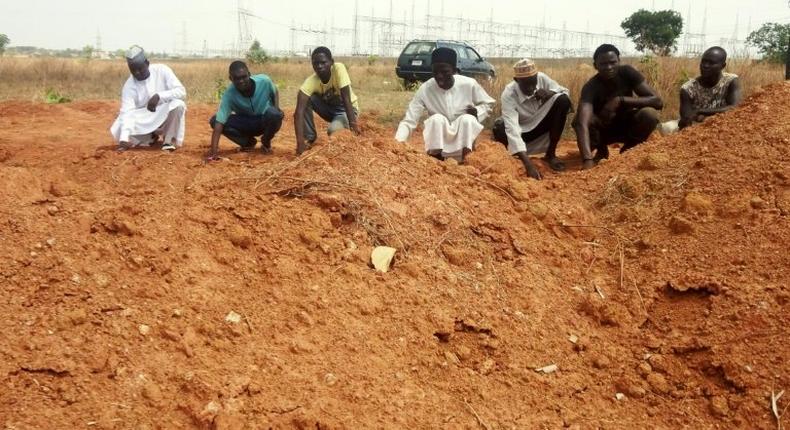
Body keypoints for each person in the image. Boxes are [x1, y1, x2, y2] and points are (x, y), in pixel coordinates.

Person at [394, 47, 495, 163]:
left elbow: (489, 104)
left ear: (454, 70)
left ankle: (467, 160)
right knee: (436, 119)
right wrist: (397, 143)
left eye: (444, 72)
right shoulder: (426, 89)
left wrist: (478, 112)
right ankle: (436, 161)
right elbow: (409, 120)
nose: (439, 76)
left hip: (464, 137)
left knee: (467, 119)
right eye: (435, 72)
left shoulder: (468, 84)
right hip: (440, 139)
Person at [573, 44, 663, 169]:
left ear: (619, 61)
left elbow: (657, 102)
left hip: (627, 126)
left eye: (612, 62)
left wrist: (620, 100)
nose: (609, 67)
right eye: (603, 64)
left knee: (649, 114)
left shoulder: (627, 73)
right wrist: (587, 159)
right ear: (595, 66)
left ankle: (629, 149)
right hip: (604, 130)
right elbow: (581, 122)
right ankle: (602, 150)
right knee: (580, 118)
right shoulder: (591, 87)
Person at [492, 58, 572, 179]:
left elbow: (564, 91)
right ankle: (517, 157)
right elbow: (512, 128)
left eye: (533, 83)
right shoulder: (509, 94)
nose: (531, 88)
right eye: (526, 84)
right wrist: (528, 164)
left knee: (563, 100)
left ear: (537, 77)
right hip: (522, 130)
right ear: (516, 80)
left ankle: (551, 154)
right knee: (500, 127)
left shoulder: (541, 78)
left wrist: (549, 93)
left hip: (540, 124)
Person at [110, 46, 187, 152]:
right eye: (133, 70)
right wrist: (123, 139)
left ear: (147, 63)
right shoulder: (129, 86)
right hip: (144, 116)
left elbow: (181, 91)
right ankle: (150, 137)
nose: (137, 73)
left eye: (140, 69)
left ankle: (168, 141)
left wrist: (159, 96)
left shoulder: (162, 70)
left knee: (178, 105)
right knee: (120, 125)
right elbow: (127, 112)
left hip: (163, 113)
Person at [207, 61, 283, 159]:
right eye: (237, 78)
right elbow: (219, 122)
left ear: (249, 74)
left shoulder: (264, 81)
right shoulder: (229, 94)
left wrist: (276, 107)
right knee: (214, 120)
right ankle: (248, 143)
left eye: (244, 77)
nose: (241, 81)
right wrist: (214, 152)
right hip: (246, 123)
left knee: (275, 114)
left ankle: (266, 141)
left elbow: (275, 91)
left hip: (264, 120)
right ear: (231, 79)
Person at [294, 46, 359, 155]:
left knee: (333, 131)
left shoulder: (339, 69)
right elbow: (298, 112)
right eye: (315, 63)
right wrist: (300, 143)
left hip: (347, 110)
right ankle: (309, 138)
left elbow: (346, 99)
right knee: (306, 98)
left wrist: (354, 127)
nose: (319, 66)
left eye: (323, 62)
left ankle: (343, 126)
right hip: (329, 111)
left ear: (331, 62)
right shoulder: (311, 81)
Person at [678, 46, 741, 129]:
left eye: (711, 63)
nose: (705, 66)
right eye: (703, 62)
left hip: (725, 126)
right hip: (698, 128)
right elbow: (687, 119)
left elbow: (734, 108)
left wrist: (700, 111)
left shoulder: (730, 81)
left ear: (723, 66)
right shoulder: (688, 88)